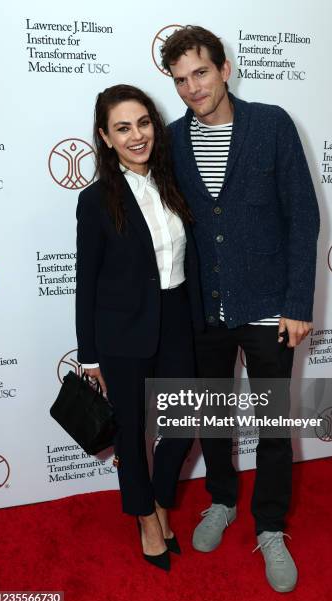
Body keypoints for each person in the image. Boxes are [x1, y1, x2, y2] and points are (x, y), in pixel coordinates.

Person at [161, 26, 320, 592]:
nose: (192, 88)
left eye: (200, 73)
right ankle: (223, 499)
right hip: (204, 308)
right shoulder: (173, 141)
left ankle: (271, 525)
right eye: (180, 80)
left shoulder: (272, 124)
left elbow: (303, 217)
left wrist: (298, 303)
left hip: (269, 306)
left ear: (224, 69)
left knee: (274, 423)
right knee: (212, 416)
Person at [75, 84, 204, 572]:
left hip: (177, 321)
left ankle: (161, 500)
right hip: (122, 332)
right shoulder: (95, 201)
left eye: (143, 123)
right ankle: (146, 517)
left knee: (184, 422)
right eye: (123, 128)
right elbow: (85, 283)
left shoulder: (173, 184)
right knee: (131, 435)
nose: (136, 135)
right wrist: (89, 355)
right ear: (106, 138)